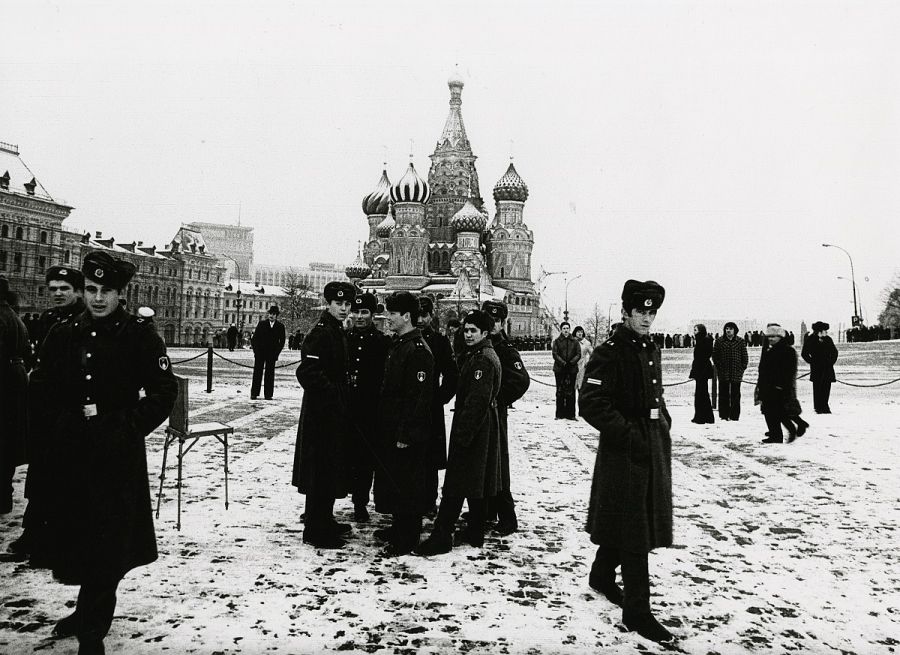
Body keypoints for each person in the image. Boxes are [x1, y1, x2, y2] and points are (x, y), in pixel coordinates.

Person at [26, 251, 177, 655]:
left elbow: (164, 392)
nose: (96, 298)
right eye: (90, 289)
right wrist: (61, 423)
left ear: (118, 293)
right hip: (72, 456)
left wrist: (123, 425)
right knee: (77, 536)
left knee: (109, 546)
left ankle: (92, 632)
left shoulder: (138, 335)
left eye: (105, 291)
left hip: (116, 459)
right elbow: (42, 386)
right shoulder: (64, 332)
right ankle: (84, 612)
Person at [579, 279, 675, 643]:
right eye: (641, 312)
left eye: (652, 312)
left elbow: (655, 391)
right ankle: (637, 613)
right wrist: (628, 432)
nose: (647, 319)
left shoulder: (649, 347)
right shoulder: (611, 351)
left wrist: (663, 420)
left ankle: (602, 575)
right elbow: (590, 403)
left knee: (636, 518)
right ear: (626, 312)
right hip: (625, 452)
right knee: (636, 529)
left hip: (651, 445)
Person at [3, 267, 86, 560]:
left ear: (78, 291)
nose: (58, 294)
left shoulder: (87, 321)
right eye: (53, 289)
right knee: (40, 476)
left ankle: (54, 541)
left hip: (72, 413)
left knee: (65, 479)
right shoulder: (50, 319)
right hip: (45, 410)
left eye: (65, 288)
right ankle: (34, 535)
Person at [415, 310, 501, 556]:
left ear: (485, 333)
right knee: (475, 479)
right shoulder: (479, 354)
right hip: (480, 426)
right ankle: (475, 531)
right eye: (466, 330)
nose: (469, 335)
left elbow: (477, 401)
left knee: (456, 482)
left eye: (474, 331)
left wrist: (463, 435)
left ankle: (442, 535)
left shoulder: (482, 360)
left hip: (474, 427)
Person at [292, 281, 356, 548]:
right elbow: (306, 372)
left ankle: (324, 519)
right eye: (338, 304)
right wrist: (332, 394)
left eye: (347, 304)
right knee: (320, 471)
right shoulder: (321, 333)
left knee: (330, 468)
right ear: (328, 303)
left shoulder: (335, 329)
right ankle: (316, 530)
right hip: (322, 415)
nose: (343, 308)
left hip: (332, 413)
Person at [375, 291, 434, 556]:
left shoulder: (418, 350)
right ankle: (398, 526)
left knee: (408, 485)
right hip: (392, 427)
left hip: (407, 431)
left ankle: (407, 537)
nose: (387, 318)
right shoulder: (401, 344)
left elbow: (418, 399)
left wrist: (406, 432)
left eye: (392, 314)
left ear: (406, 316)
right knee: (396, 481)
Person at [482, 299, 530, 536]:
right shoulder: (479, 345)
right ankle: (488, 509)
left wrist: (498, 399)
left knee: (499, 461)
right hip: (479, 414)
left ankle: (507, 516)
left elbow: (521, 381)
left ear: (503, 323)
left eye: (497, 321)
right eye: (489, 320)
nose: (492, 325)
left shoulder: (505, 349)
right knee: (484, 461)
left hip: (494, 414)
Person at [346, 292, 391, 521]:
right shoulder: (344, 339)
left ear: (373, 315)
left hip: (370, 412)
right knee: (344, 457)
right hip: (346, 410)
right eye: (356, 312)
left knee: (364, 461)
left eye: (364, 312)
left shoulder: (382, 343)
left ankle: (360, 503)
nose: (360, 316)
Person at [416, 296, 458, 511]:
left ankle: (429, 500)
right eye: (417, 315)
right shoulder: (400, 339)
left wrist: (439, 399)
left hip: (429, 410)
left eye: (424, 315)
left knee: (429, 459)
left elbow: (452, 376)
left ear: (431, 315)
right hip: (406, 408)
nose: (420, 320)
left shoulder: (439, 342)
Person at [0, 277, 30, 515]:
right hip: (15, 380)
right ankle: (4, 495)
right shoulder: (14, 317)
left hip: (3, 380)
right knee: (7, 440)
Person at [758, 324, 808, 444]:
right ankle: (781, 432)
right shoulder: (770, 349)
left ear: (780, 337)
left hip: (779, 386)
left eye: (773, 336)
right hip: (768, 385)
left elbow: (788, 371)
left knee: (779, 411)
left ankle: (783, 433)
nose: (770, 339)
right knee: (771, 410)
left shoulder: (787, 350)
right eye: (768, 336)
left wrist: (781, 385)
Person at [713, 321, 748, 421]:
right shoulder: (719, 341)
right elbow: (715, 356)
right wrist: (719, 367)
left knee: (736, 394)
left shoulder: (740, 341)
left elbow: (744, 356)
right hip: (723, 372)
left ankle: (734, 415)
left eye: (730, 329)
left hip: (736, 372)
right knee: (723, 394)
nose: (728, 330)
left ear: (735, 330)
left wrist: (742, 368)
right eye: (726, 328)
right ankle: (724, 415)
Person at [802, 321, 838, 414]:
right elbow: (804, 353)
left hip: (827, 367)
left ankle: (825, 406)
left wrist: (830, 362)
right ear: (819, 331)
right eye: (825, 330)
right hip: (816, 368)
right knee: (817, 387)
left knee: (826, 387)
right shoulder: (810, 339)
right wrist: (812, 362)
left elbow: (834, 352)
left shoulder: (828, 339)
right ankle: (818, 407)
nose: (826, 332)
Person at [250, 306, 286, 400]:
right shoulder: (261, 324)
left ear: (276, 316)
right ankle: (254, 393)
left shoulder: (280, 326)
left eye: (273, 314)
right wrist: (256, 351)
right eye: (270, 314)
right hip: (260, 353)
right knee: (257, 373)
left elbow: (281, 342)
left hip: (271, 354)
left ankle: (268, 394)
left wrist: (276, 353)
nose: (271, 316)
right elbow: (254, 339)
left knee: (270, 374)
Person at [552, 321, 581, 419]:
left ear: (570, 329)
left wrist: (571, 363)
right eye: (564, 328)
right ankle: (559, 414)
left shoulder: (575, 341)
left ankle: (571, 414)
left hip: (572, 370)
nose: (566, 330)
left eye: (567, 328)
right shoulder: (557, 341)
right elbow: (555, 354)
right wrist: (563, 363)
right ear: (561, 329)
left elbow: (578, 354)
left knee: (571, 392)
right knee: (560, 391)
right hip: (560, 369)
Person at [688, 324, 715, 424]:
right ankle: (705, 417)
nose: (694, 332)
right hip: (702, 370)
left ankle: (701, 417)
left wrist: (696, 371)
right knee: (702, 394)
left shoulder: (704, 341)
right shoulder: (702, 340)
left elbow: (702, 358)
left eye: (695, 330)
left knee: (701, 394)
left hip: (702, 370)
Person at [573, 325, 592, 395]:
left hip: (582, 367)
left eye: (581, 332)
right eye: (578, 332)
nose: (580, 333)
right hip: (572, 366)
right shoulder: (572, 341)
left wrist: (587, 362)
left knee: (581, 387)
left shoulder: (587, 343)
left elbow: (592, 354)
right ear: (575, 333)